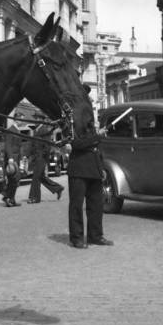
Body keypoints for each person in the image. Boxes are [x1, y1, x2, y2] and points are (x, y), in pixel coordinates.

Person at [67, 85, 112, 249]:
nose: (89, 101)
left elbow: (97, 147)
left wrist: (101, 167)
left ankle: (96, 235)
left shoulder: (91, 123)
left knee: (96, 205)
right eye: (86, 98)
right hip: (79, 168)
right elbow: (75, 144)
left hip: (94, 168)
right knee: (77, 206)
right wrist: (96, 137)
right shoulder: (71, 121)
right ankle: (77, 237)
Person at [26, 124, 64, 204]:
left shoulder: (44, 130)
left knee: (36, 177)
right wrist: (29, 154)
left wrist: (43, 155)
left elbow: (47, 145)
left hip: (41, 158)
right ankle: (58, 188)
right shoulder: (36, 130)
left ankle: (34, 197)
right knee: (41, 177)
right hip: (36, 157)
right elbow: (32, 144)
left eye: (36, 117)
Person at [1, 124, 23, 207]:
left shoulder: (17, 130)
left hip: (16, 158)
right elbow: (8, 145)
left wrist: (21, 157)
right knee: (14, 180)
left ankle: (11, 199)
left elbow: (19, 146)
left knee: (14, 180)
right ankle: (7, 196)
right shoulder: (11, 130)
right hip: (12, 159)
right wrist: (10, 158)